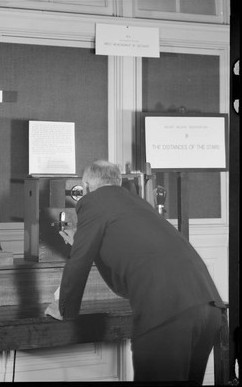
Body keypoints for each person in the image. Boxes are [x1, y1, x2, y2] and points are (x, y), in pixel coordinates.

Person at [45, 159, 225, 384]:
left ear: (87, 185)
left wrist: (65, 310)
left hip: (167, 314)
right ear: (117, 182)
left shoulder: (92, 201)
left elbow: (78, 262)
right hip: (208, 308)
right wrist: (83, 243)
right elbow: (129, 256)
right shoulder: (138, 203)